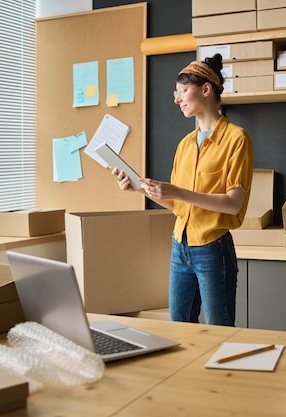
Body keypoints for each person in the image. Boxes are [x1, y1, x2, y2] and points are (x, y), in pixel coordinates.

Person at [113, 54, 254, 326]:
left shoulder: (238, 139)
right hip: (180, 246)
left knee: (219, 330)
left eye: (183, 91)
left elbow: (233, 204)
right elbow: (180, 205)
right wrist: (139, 188)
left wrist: (178, 192)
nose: (177, 99)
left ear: (206, 89)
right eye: (176, 93)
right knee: (179, 327)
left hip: (213, 248)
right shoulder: (185, 144)